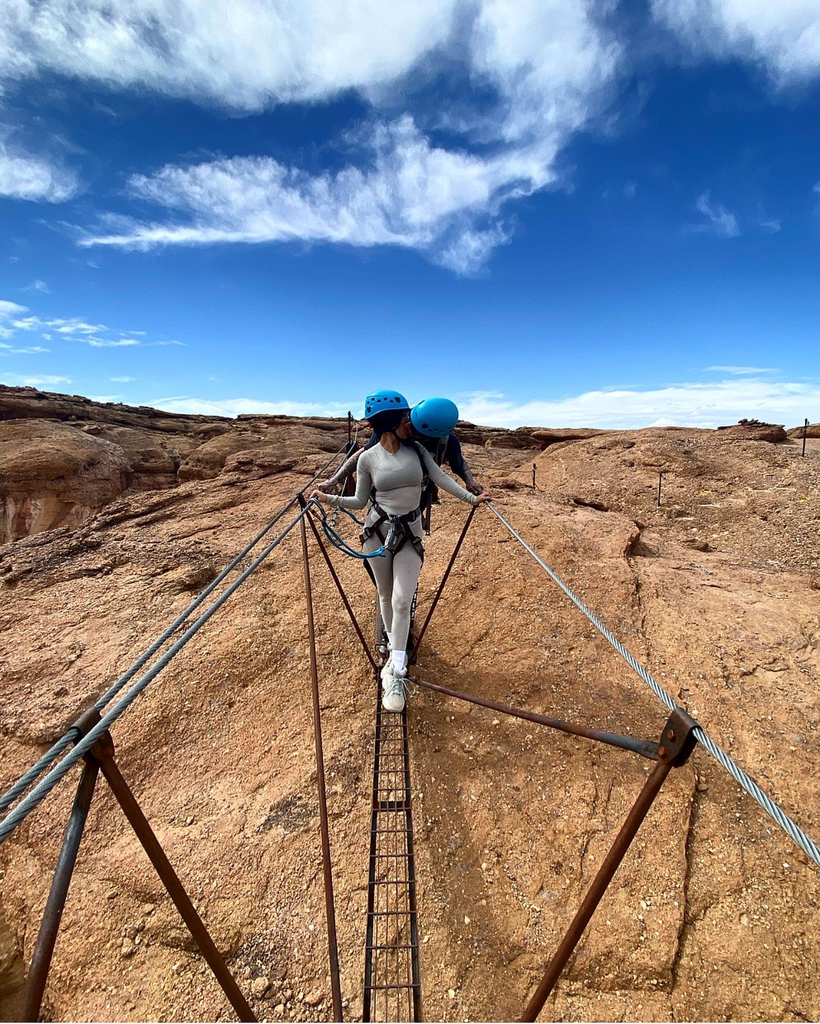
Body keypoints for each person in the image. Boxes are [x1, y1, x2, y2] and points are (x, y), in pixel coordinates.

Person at [311, 390, 490, 713]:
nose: (410, 421)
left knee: (400, 599)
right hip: (377, 530)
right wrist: (331, 493)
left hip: (410, 529)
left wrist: (471, 496)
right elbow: (360, 496)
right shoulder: (371, 456)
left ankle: (396, 667)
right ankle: (393, 654)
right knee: (385, 595)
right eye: (404, 417)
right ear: (392, 423)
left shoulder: (422, 448)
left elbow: (445, 476)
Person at [316, 397, 483, 498]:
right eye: (408, 418)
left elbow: (458, 464)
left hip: (417, 495)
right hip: (384, 494)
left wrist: (470, 482)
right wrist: (334, 480)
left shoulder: (447, 442)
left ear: (432, 433)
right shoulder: (393, 428)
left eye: (414, 426)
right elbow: (362, 455)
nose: (407, 424)